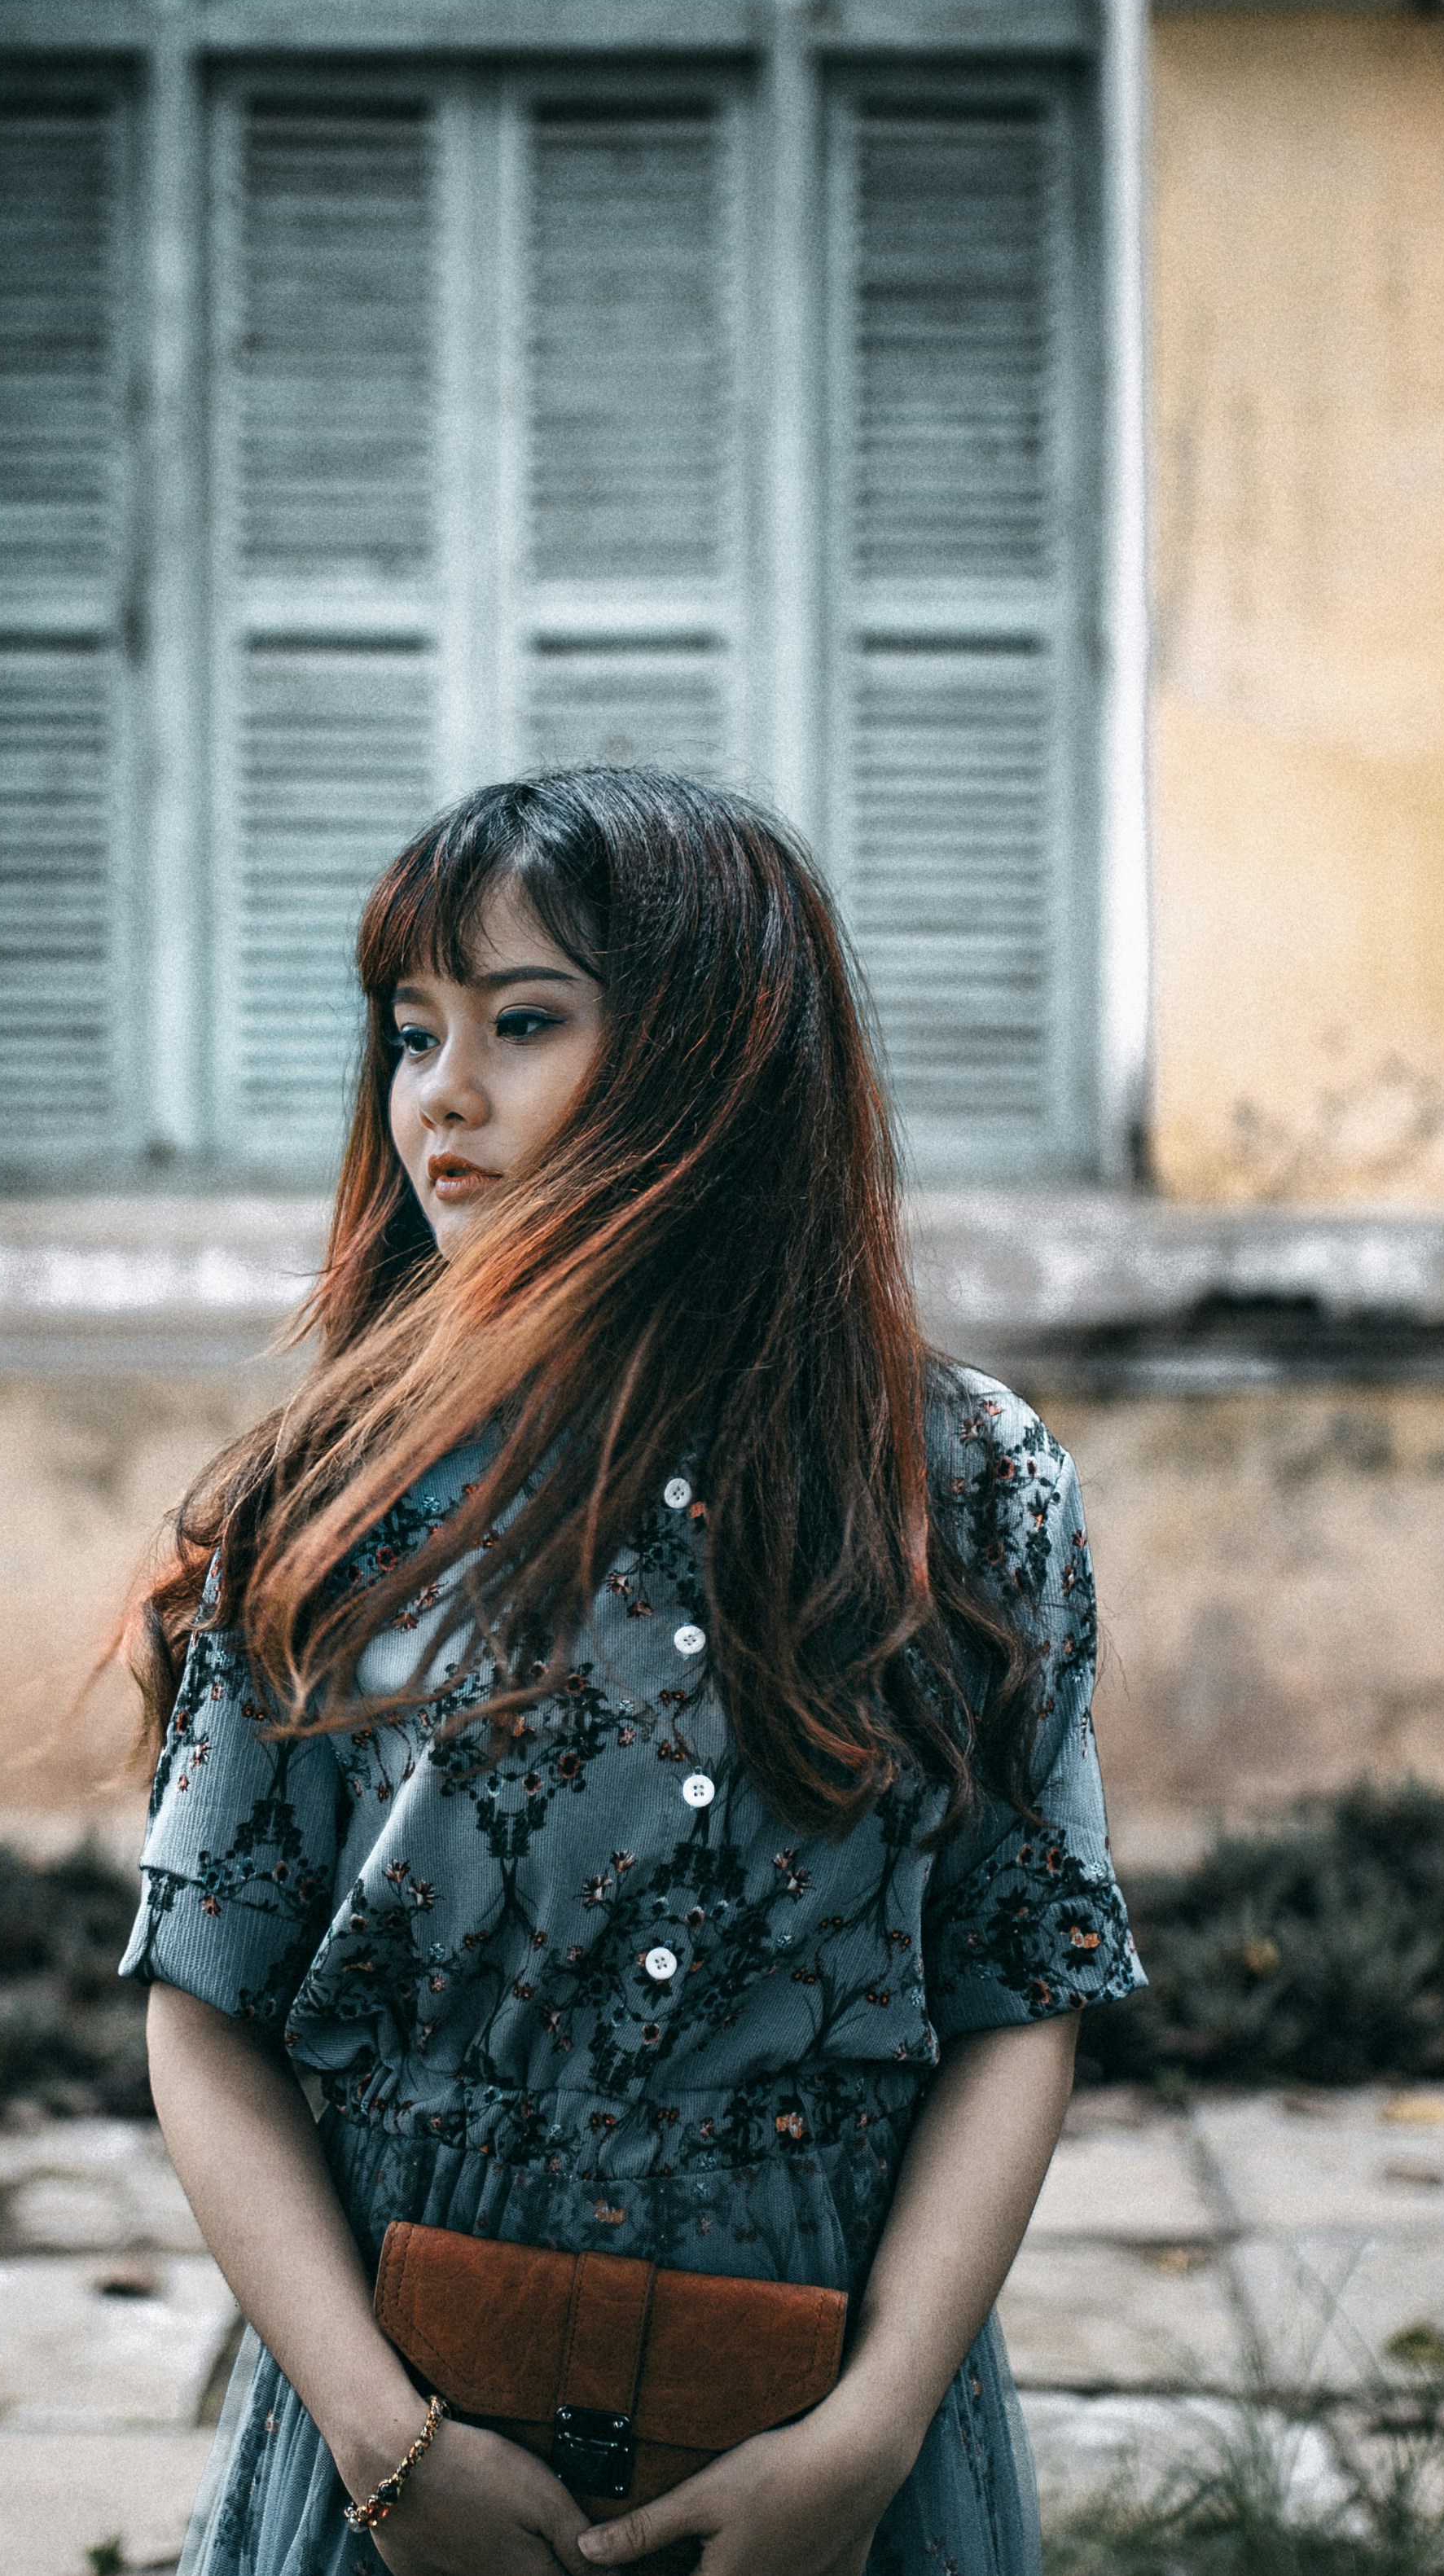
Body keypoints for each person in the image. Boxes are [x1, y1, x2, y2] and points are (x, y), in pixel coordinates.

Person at [110, 767, 1143, 2576]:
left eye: (522, 1022)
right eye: (414, 1031)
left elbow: (1015, 1986)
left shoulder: (966, 1485)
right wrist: (383, 2442)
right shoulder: (335, 1494)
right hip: (412, 2428)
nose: (444, 1094)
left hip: (829, 2426)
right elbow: (204, 2012)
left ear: (713, 1057)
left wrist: (873, 2431)